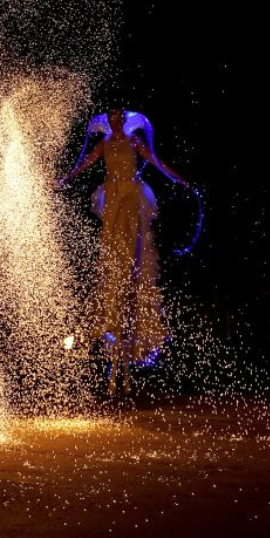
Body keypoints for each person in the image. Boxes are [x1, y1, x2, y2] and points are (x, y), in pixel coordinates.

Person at [61, 109, 191, 394]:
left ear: (125, 119)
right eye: (112, 116)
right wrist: (66, 178)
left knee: (133, 246)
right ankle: (116, 285)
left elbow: (155, 161)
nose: (116, 120)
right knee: (113, 246)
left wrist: (178, 179)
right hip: (113, 196)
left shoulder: (133, 141)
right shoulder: (104, 143)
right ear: (109, 121)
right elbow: (87, 162)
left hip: (131, 196)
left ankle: (131, 274)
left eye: (119, 116)